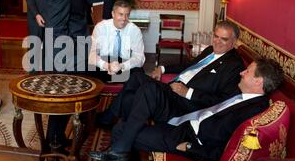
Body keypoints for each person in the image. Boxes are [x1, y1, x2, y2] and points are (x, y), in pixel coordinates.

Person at [89, 58, 284, 161]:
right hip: (185, 124)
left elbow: (226, 144)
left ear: (259, 81)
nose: (242, 73)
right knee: (123, 126)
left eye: (248, 71)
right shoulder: (242, 93)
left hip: (187, 138)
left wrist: (190, 147)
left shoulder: (253, 109)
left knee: (122, 130)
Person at [40, 0, 132, 150]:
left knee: (64, 100)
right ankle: (54, 144)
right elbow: (57, 28)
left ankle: (57, 139)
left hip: (69, 50)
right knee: (66, 100)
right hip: (66, 53)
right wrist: (81, 49)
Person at [99, 20, 245, 127]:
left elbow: (222, 101)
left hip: (181, 98)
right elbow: (188, 65)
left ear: (234, 42)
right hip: (172, 86)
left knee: (138, 83)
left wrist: (188, 92)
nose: (217, 41)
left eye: (223, 39)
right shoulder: (210, 50)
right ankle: (120, 129)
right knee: (134, 82)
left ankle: (110, 118)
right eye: (216, 36)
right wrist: (162, 69)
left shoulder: (234, 65)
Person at [88, 0, 145, 83]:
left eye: (127, 15)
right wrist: (106, 66)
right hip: (104, 63)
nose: (124, 18)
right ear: (113, 14)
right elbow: (92, 54)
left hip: (124, 64)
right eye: (121, 14)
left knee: (139, 74)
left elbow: (139, 57)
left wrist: (122, 66)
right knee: (87, 68)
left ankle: (125, 93)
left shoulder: (135, 30)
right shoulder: (101, 27)